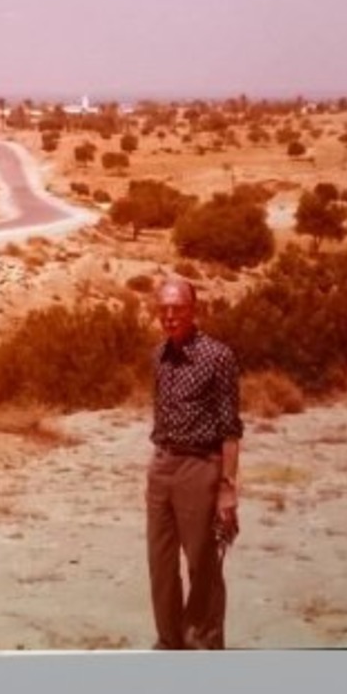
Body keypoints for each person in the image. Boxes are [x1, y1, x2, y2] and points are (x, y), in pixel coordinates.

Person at [146, 277, 243, 649]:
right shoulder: (159, 355)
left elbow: (230, 429)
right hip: (162, 465)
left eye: (178, 309)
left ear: (193, 310)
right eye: (164, 310)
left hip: (200, 467)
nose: (170, 317)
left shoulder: (218, 357)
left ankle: (202, 640)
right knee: (160, 562)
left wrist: (227, 489)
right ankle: (169, 639)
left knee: (202, 562)